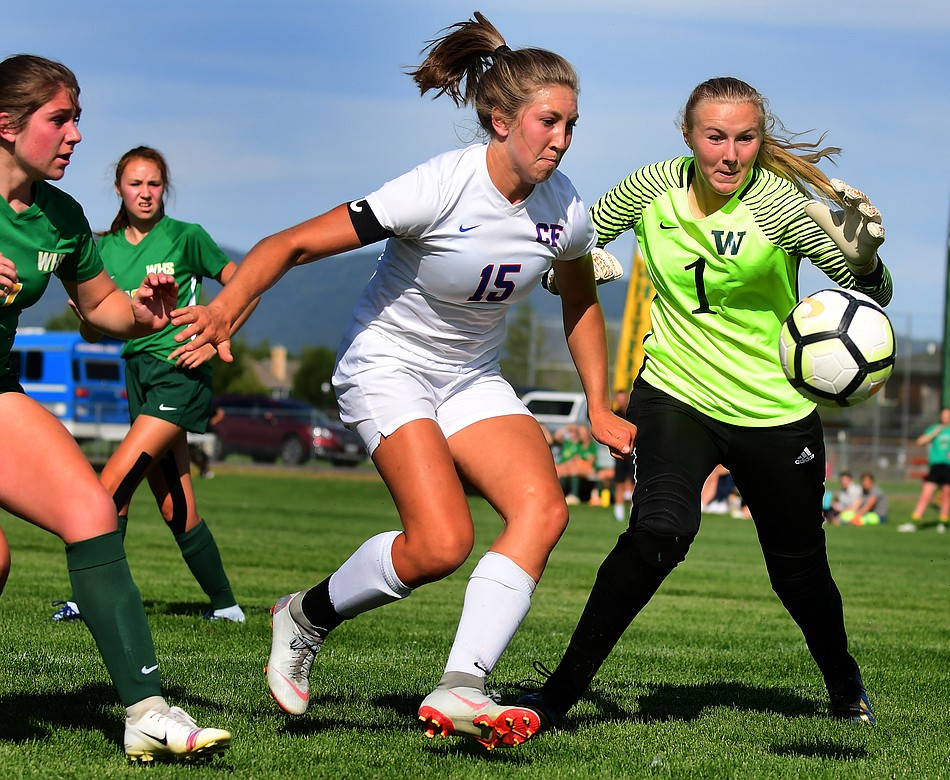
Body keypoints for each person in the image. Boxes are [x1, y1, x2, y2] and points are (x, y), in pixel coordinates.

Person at [169, 14, 634, 749]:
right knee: (441, 543)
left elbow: (579, 299)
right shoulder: (438, 187)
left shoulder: (566, 206)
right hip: (387, 363)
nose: (561, 139)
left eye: (572, 125)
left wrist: (601, 407)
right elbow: (289, 243)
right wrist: (228, 307)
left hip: (471, 376)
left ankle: (461, 687)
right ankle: (305, 616)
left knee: (543, 512)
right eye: (549, 122)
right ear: (500, 119)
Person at [512, 76, 892, 734]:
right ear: (687, 135)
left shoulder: (778, 206)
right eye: (714, 136)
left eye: (745, 138)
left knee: (799, 575)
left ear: (758, 141)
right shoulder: (650, 185)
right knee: (660, 531)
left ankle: (841, 678)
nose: (729, 153)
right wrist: (572, 265)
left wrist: (864, 261)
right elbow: (570, 247)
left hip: (775, 412)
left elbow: (874, 291)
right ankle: (558, 696)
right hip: (676, 393)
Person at [0, 53, 230, 761]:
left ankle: (146, 711)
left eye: (77, 120)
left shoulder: (61, 217)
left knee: (93, 511)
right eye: (58, 119)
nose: (73, 135)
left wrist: (148, 314)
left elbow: (100, 309)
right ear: (5, 124)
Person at [52, 146, 248, 624]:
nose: (145, 192)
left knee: (109, 486)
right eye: (135, 183)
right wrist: (89, 320)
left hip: (179, 373)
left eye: (154, 183)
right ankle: (227, 607)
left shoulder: (186, 238)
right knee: (174, 503)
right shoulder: (103, 248)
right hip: (136, 374)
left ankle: (91, 597)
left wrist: (217, 333)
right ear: (119, 188)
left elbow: (244, 284)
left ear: (166, 188)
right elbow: (93, 327)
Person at [899, 408, 950, 533]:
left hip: (949, 466)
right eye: (943, 415)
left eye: (948, 415)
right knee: (926, 495)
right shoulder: (934, 429)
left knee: (945, 496)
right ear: (941, 416)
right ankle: (914, 522)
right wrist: (934, 433)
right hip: (935, 466)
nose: (945, 417)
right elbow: (920, 442)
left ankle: (942, 523)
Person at [609, 389, 634, 521]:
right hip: (619, 452)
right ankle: (618, 511)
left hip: (632, 451)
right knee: (619, 481)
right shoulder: (614, 414)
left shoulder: (631, 413)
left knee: (633, 481)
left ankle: (633, 510)